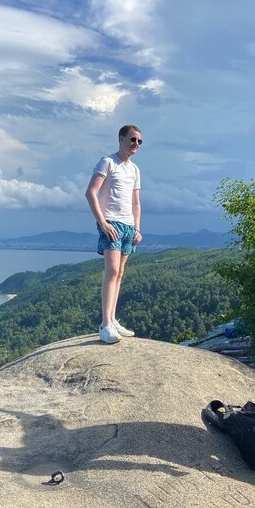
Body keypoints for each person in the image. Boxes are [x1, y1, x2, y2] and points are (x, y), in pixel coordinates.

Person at [85, 125, 143, 344]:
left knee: (119, 274)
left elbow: (136, 202)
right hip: (112, 223)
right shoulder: (107, 162)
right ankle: (105, 324)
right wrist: (102, 222)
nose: (135, 144)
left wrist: (137, 227)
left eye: (139, 141)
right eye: (132, 139)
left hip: (129, 226)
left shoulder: (135, 170)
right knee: (112, 271)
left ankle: (112, 319)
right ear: (121, 139)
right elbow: (91, 192)